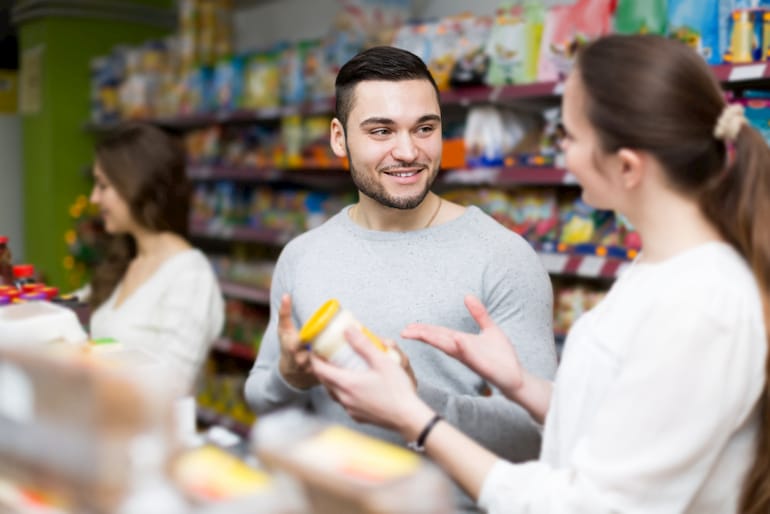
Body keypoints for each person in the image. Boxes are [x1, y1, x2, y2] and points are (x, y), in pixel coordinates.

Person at [311, 34, 770, 514]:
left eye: (567, 137)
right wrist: (518, 384)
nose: (561, 154)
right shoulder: (659, 267)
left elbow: (590, 505)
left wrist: (415, 420)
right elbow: (626, 432)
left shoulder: (701, 306)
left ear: (627, 166)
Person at [244, 46, 558, 512]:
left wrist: (411, 401)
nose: (408, 151)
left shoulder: (502, 257)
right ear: (339, 137)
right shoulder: (302, 256)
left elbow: (535, 437)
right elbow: (262, 400)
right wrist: (289, 378)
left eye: (424, 129)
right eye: (381, 131)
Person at [84, 122, 225, 396]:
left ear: (135, 183)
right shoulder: (127, 261)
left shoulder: (190, 276)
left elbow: (172, 387)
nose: (93, 198)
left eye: (102, 186)